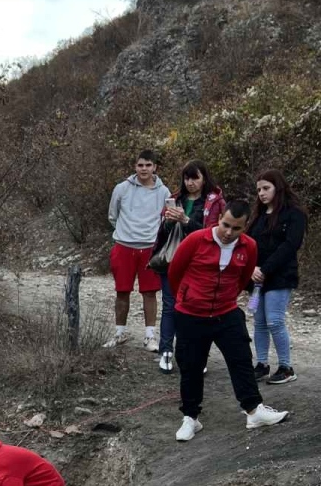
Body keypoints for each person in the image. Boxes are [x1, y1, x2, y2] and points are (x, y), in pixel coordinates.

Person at [167, 200, 290, 442]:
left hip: (226, 311)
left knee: (241, 359)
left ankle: (253, 410)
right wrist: (188, 297)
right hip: (191, 313)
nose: (228, 232)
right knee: (191, 366)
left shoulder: (249, 246)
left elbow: (244, 278)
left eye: (236, 228)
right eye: (225, 225)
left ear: (245, 228)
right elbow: (175, 273)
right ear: (219, 218)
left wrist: (227, 299)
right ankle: (191, 418)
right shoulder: (196, 240)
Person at [151, 160, 226, 373]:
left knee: (196, 308)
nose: (190, 182)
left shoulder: (214, 202)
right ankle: (166, 350)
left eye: (195, 178)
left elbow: (212, 233)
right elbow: (162, 234)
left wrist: (185, 220)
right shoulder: (175, 199)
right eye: (187, 178)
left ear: (204, 179)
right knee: (169, 305)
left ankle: (195, 353)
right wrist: (168, 222)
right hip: (173, 260)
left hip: (199, 262)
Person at [106, 150, 171, 351]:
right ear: (135, 167)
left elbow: (166, 219)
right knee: (122, 291)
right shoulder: (122, 188)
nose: (144, 169)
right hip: (124, 246)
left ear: (155, 167)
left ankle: (150, 337)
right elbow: (113, 215)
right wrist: (126, 232)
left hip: (150, 249)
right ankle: (119, 333)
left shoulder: (164, 192)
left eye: (148, 165)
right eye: (141, 165)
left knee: (150, 293)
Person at [248, 169, 306, 385]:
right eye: (259, 190)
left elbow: (290, 246)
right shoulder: (258, 217)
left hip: (280, 276)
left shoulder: (294, 214)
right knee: (259, 322)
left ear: (277, 188)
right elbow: (249, 243)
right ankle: (262, 364)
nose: (262, 193)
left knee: (274, 320)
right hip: (257, 279)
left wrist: (265, 269)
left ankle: (286, 367)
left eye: (266, 188)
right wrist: (252, 268)